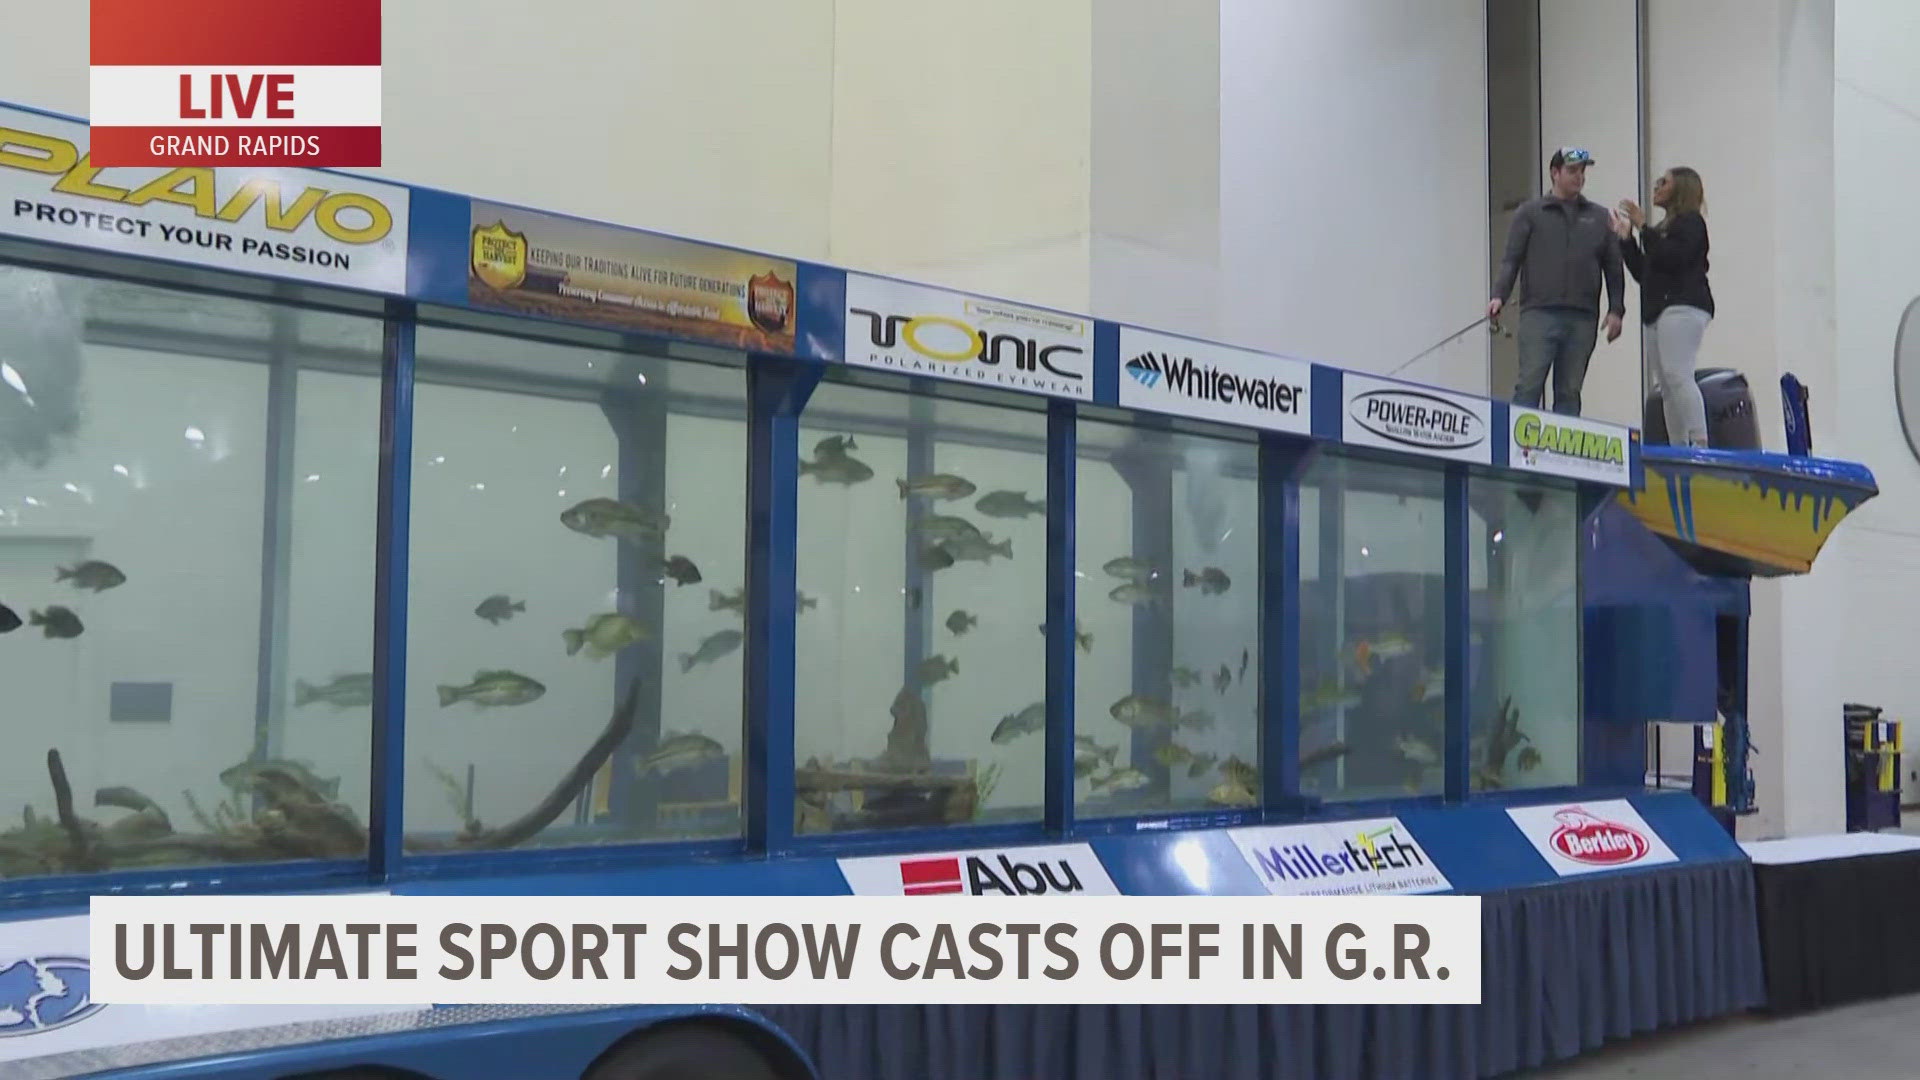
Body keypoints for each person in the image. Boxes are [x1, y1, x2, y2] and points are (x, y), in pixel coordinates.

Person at [1489, 146, 1626, 416]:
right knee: (1529, 385)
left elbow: (1613, 267)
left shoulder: (1599, 217)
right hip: (1540, 312)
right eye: (1572, 170)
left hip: (1583, 316)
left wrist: (1616, 309)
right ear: (1555, 173)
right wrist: (1498, 295)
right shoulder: (1530, 212)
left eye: (1582, 171)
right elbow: (1511, 259)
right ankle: (1519, 440)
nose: (1579, 177)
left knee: (1570, 391)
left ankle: (1565, 443)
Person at [1614, 166, 1713, 448]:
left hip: (1683, 306)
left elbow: (1674, 258)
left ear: (1681, 189)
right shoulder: (1661, 231)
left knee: (1678, 374)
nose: (1656, 187)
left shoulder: (1691, 223)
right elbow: (1644, 272)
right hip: (1658, 310)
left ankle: (1700, 442)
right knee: (1668, 386)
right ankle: (1678, 446)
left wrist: (1643, 227)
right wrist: (1627, 240)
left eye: (1664, 182)